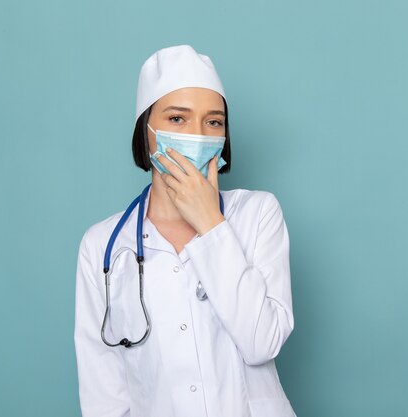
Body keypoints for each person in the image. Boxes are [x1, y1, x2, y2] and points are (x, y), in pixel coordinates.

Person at [74, 44, 296, 417]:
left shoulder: (257, 214)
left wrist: (210, 224)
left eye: (213, 122)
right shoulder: (103, 246)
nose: (198, 133)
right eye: (177, 119)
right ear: (146, 131)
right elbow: (104, 395)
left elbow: (262, 343)